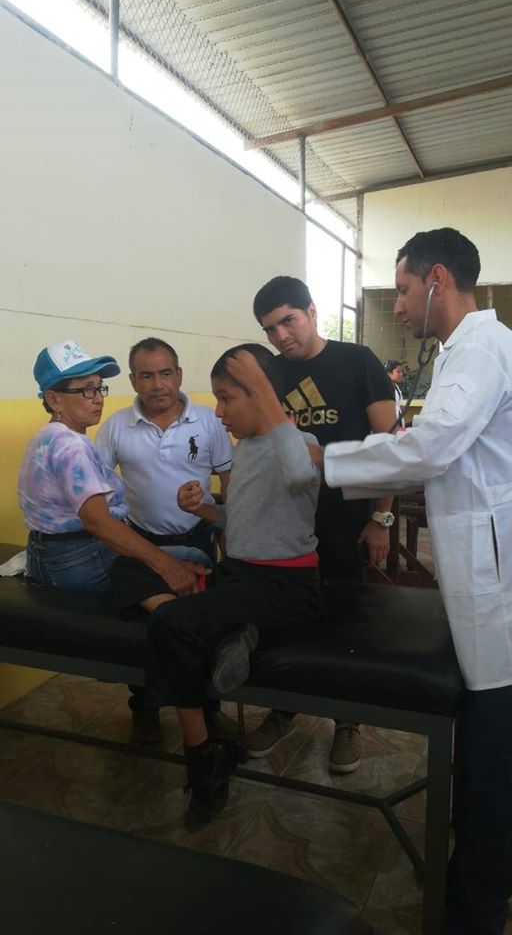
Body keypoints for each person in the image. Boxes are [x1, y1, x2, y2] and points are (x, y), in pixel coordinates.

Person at [315, 228, 512, 935]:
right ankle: (497, 873)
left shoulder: (479, 348)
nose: (400, 305)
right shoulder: (470, 350)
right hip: (496, 563)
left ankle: (474, 912)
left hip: (501, 580)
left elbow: (432, 448)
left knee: (495, 750)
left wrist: (324, 462)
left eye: (404, 289)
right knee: (496, 743)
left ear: (437, 278)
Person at [111, 344, 321, 831]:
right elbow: (242, 518)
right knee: (127, 568)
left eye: (227, 399)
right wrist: (204, 510)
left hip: (285, 585)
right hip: (239, 576)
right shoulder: (245, 448)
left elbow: (300, 472)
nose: (219, 413)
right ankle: (226, 630)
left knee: (170, 623)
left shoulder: (301, 443)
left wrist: (266, 389)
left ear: (260, 395)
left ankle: (204, 761)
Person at [249, 277, 396, 773]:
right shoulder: (271, 374)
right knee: (285, 622)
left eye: (288, 321)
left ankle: (347, 721)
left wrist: (380, 518)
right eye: (270, 329)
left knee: (344, 625)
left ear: (312, 312)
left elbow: (388, 445)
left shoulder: (357, 361)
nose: (281, 336)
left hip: (346, 521)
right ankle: (282, 707)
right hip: (287, 525)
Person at [95, 337, 234, 742]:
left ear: (179, 375)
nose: (158, 384)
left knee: (199, 629)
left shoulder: (209, 421)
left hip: (199, 541)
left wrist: (232, 542)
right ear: (133, 380)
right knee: (144, 633)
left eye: (165, 373)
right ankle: (144, 708)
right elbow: (96, 489)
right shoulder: (116, 427)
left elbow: (231, 484)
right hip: (141, 545)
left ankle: (209, 711)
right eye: (147, 375)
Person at [19, 339, 205, 598]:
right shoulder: (71, 445)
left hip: (44, 555)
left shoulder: (45, 436)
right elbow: (98, 522)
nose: (98, 399)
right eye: (86, 390)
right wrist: (167, 566)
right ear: (54, 399)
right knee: (194, 559)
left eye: (99, 388)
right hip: (79, 559)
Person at [384, 359, 405, 427]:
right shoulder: (383, 388)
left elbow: (399, 405)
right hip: (389, 425)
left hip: (399, 423)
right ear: (389, 373)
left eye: (401, 372)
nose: (401, 374)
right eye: (398, 372)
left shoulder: (397, 387)